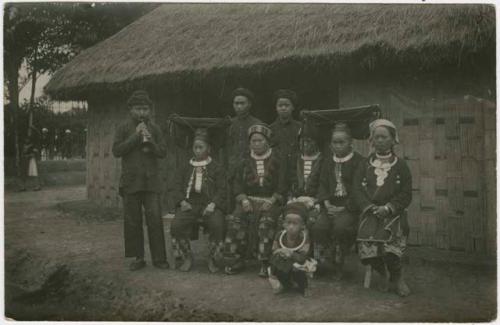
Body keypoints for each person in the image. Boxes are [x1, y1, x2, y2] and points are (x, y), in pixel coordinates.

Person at [352, 119, 411, 297]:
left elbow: (406, 194)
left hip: (392, 215)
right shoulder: (364, 164)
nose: (379, 140)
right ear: (371, 140)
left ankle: (397, 276)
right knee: (368, 251)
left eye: (384, 137)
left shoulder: (400, 165)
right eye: (376, 137)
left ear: (393, 140)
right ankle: (382, 274)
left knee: (391, 250)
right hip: (370, 213)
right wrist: (369, 207)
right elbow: (357, 189)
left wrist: (389, 208)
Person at [112, 90, 169, 271]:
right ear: (130, 110)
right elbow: (117, 151)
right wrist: (136, 136)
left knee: (155, 219)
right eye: (138, 109)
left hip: (151, 183)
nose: (142, 113)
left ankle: (159, 258)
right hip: (131, 182)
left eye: (145, 109)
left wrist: (150, 141)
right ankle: (138, 257)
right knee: (133, 221)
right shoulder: (123, 128)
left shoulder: (156, 128)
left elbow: (162, 152)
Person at [223, 123, 287, 277]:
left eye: (260, 141)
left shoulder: (278, 159)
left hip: (270, 201)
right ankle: (235, 261)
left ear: (267, 142)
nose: (256, 144)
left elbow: (282, 184)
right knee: (236, 221)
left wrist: (272, 200)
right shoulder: (243, 160)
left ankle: (265, 263)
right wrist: (244, 200)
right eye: (253, 141)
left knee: (266, 223)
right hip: (248, 200)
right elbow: (237, 185)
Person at [170, 128, 226, 273]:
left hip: (209, 205)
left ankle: (212, 258)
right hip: (189, 204)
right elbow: (175, 187)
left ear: (209, 148)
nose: (198, 150)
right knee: (176, 225)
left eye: (201, 147)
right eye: (195, 147)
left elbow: (222, 189)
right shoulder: (184, 167)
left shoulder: (216, 167)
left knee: (217, 224)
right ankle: (186, 256)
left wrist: (213, 204)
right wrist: (182, 202)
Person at [313, 123, 364, 279]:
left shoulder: (359, 161)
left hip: (349, 207)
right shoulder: (327, 161)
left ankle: (339, 264)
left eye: (342, 142)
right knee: (319, 227)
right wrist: (326, 203)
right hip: (330, 205)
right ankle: (323, 263)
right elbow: (322, 184)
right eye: (335, 142)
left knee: (340, 228)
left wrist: (345, 208)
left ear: (350, 143)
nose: (338, 146)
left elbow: (359, 189)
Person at [268, 202, 316, 297]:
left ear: (302, 225)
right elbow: (274, 251)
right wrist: (280, 252)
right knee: (275, 263)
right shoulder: (280, 235)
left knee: (299, 267)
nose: (291, 227)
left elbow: (303, 257)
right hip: (285, 261)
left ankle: (304, 286)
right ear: (283, 224)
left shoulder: (304, 237)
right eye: (288, 223)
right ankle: (285, 284)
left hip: (298, 263)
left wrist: (291, 254)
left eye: (295, 224)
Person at [226, 88, 262, 209]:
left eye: (242, 103)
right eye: (236, 103)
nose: (239, 106)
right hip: (231, 168)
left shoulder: (257, 124)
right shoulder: (229, 124)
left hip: (250, 169)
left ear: (249, 104)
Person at [288, 121, 324, 231]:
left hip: (316, 202)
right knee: (287, 219)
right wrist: (292, 198)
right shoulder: (295, 159)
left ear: (316, 142)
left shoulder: (323, 160)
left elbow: (324, 184)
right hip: (296, 199)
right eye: (302, 142)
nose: (304, 145)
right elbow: (290, 181)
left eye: (308, 141)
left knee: (312, 221)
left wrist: (315, 201)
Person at [270, 89, 301, 162]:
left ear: (293, 107)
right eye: (280, 105)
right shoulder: (270, 129)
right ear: (276, 108)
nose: (283, 108)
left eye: (287, 105)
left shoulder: (300, 127)